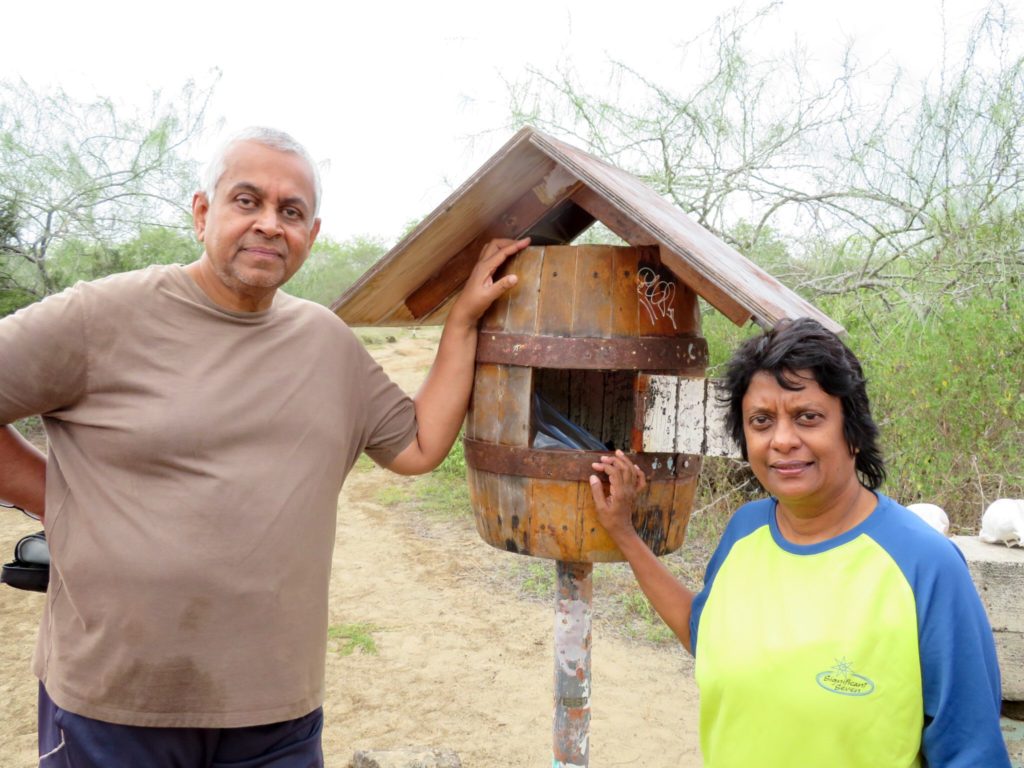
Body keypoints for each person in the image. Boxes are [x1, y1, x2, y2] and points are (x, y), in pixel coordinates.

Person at [0, 126, 529, 767]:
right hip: (113, 703)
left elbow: (418, 444)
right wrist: (59, 497)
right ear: (203, 212)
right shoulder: (99, 318)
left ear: (312, 232)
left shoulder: (325, 343)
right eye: (247, 201)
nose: (270, 224)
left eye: (292, 211)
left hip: (275, 714)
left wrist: (465, 320)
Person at [589, 317, 1010, 767]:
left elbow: (972, 751)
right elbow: (703, 632)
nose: (783, 440)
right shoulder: (744, 532)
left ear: (853, 429)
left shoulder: (923, 565)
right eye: (761, 421)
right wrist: (625, 534)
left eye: (808, 417)